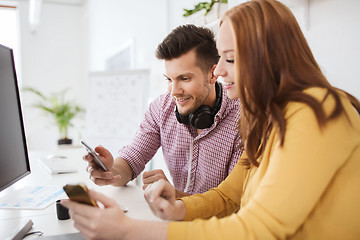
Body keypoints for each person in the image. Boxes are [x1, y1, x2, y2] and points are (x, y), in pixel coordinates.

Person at [62, 0, 360, 239]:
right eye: (220, 58)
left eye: (229, 58)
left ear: (266, 57)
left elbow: (259, 229)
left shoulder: (318, 112)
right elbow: (229, 197)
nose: (219, 70)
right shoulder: (268, 120)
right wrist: (179, 209)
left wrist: (130, 231)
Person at [84, 24, 243, 197]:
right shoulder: (161, 108)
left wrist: (175, 196)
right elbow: (133, 158)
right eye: (169, 79)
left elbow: (233, 201)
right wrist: (110, 170)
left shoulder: (243, 119)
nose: (174, 91)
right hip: (175, 218)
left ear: (213, 74)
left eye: (184, 78)